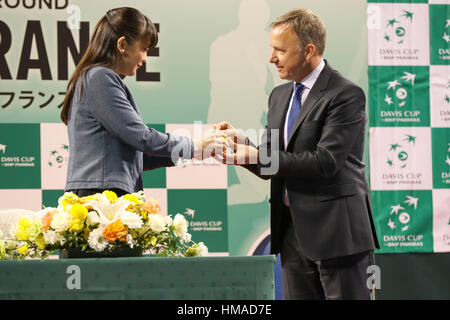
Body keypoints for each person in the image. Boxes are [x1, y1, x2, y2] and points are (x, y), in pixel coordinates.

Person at [214, 8, 379, 300]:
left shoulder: (346, 94)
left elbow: (324, 162)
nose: (271, 58)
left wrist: (253, 155)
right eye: (271, 49)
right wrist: (243, 148)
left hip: (338, 235)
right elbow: (270, 162)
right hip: (290, 233)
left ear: (309, 50)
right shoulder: (279, 96)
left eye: (280, 50)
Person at [61, 7, 225, 198]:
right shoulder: (100, 77)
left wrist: (195, 150)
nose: (145, 59)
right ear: (122, 45)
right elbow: (142, 138)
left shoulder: (96, 77)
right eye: (144, 49)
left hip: (103, 192)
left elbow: (138, 154)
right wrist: (194, 146)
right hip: (101, 195)